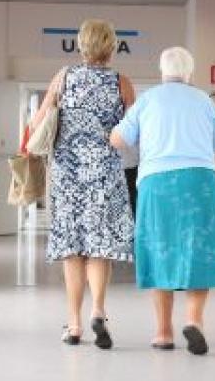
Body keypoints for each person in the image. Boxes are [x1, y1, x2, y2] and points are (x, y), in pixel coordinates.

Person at [110, 46, 215, 355]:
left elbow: (119, 140)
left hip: (157, 183)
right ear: (190, 73)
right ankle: (194, 321)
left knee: (160, 250)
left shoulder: (147, 100)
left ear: (162, 72)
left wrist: (118, 127)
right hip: (199, 181)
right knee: (199, 249)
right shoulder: (203, 101)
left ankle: (163, 332)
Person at [28, 19, 136, 349]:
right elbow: (133, 133)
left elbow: (36, 123)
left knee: (72, 250)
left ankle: (74, 324)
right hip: (104, 173)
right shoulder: (121, 83)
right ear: (112, 46)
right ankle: (99, 312)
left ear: (81, 46)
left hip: (68, 174)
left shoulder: (64, 77)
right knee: (99, 246)